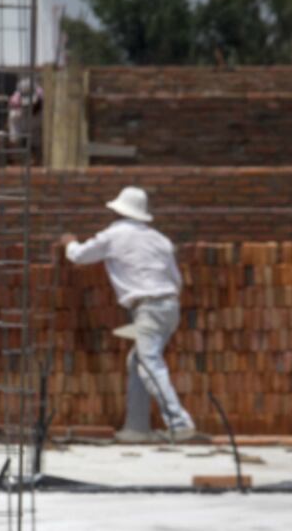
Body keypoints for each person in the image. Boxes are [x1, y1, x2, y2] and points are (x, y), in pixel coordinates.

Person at [60, 186, 204, 444]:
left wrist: (69, 244)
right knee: (137, 362)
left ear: (118, 211)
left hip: (147, 307)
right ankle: (136, 429)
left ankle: (180, 424)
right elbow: (176, 278)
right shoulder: (160, 239)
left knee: (150, 363)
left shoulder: (115, 235)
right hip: (169, 305)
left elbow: (80, 256)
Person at [7, 77, 43, 164]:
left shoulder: (42, 97)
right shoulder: (15, 105)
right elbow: (14, 129)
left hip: (35, 127)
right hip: (22, 125)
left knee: (36, 141)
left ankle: (35, 156)